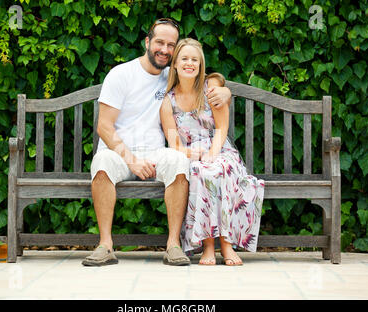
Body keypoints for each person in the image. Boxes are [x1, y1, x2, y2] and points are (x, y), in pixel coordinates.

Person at [82, 19, 232, 267]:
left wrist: (226, 92)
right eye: (159, 42)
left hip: (156, 152)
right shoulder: (121, 74)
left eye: (171, 45)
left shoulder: (171, 76)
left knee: (178, 161)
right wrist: (131, 160)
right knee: (101, 163)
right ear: (147, 42)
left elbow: (202, 77)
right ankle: (106, 245)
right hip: (118, 152)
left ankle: (173, 245)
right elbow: (104, 127)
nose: (164, 49)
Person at [160, 38, 265, 266]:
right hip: (191, 155)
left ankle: (226, 244)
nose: (190, 63)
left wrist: (212, 154)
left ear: (201, 65)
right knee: (200, 172)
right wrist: (194, 155)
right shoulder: (168, 102)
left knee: (219, 168)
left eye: (195, 60)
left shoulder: (211, 90)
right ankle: (208, 246)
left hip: (220, 149)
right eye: (184, 59)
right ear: (175, 64)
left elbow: (222, 128)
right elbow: (174, 144)